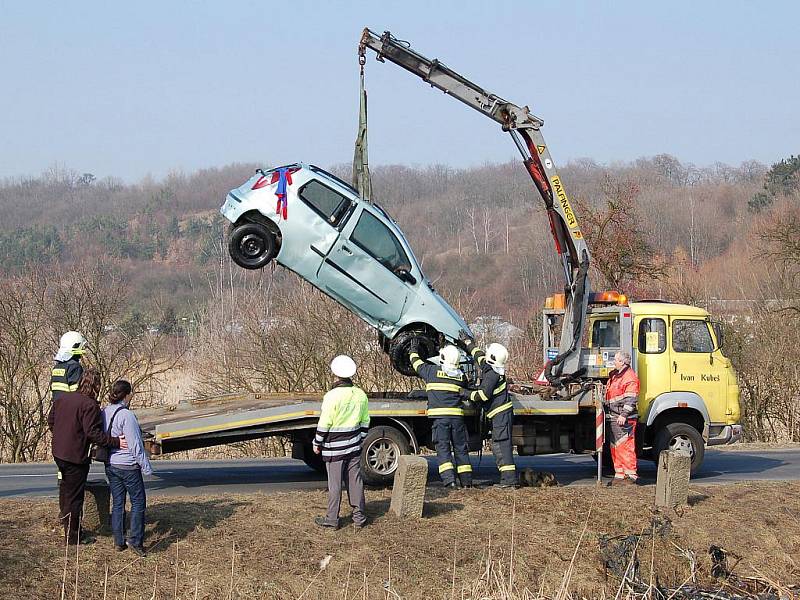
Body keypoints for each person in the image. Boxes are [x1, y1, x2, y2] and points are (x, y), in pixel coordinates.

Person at [48, 368, 125, 545]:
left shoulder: (62, 398)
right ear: (97, 386)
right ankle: (73, 537)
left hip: (58, 452)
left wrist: (61, 435)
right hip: (75, 456)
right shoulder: (90, 405)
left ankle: (66, 525)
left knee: (67, 491)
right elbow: (93, 433)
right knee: (75, 497)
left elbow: (51, 420)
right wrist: (116, 442)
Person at [313, 355, 370, 530]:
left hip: (334, 449)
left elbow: (325, 423)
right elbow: (365, 422)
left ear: (335, 374)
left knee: (335, 484)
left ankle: (332, 519)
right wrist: (359, 439)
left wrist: (317, 442)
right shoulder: (360, 394)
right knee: (355, 481)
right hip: (353, 447)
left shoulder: (332, 396)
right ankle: (359, 518)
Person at [409, 342, 472, 488]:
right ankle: (466, 482)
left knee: (443, 449)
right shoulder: (461, 377)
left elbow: (416, 363)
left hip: (440, 420)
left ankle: (449, 481)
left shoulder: (431, 371)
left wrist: (413, 350)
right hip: (457, 420)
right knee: (460, 449)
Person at [102, 380, 152, 556]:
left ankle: (119, 540)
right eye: (131, 394)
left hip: (111, 464)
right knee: (138, 502)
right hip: (128, 466)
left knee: (118, 503)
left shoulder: (105, 412)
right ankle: (136, 541)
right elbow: (135, 445)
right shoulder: (127, 416)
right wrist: (146, 467)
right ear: (126, 395)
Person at [459, 335, 516, 487]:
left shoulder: (492, 374)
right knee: (498, 445)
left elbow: (483, 395)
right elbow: (479, 357)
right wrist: (468, 344)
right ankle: (507, 480)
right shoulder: (491, 367)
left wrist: (466, 393)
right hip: (499, 415)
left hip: (501, 415)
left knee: (501, 445)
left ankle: (509, 481)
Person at [605, 351, 641, 485]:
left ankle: (631, 475)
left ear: (622, 362)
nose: (614, 362)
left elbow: (631, 399)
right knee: (616, 446)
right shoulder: (617, 375)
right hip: (615, 416)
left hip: (624, 418)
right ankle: (620, 475)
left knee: (625, 446)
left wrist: (623, 415)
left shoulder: (629, 377)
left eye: (615, 360)